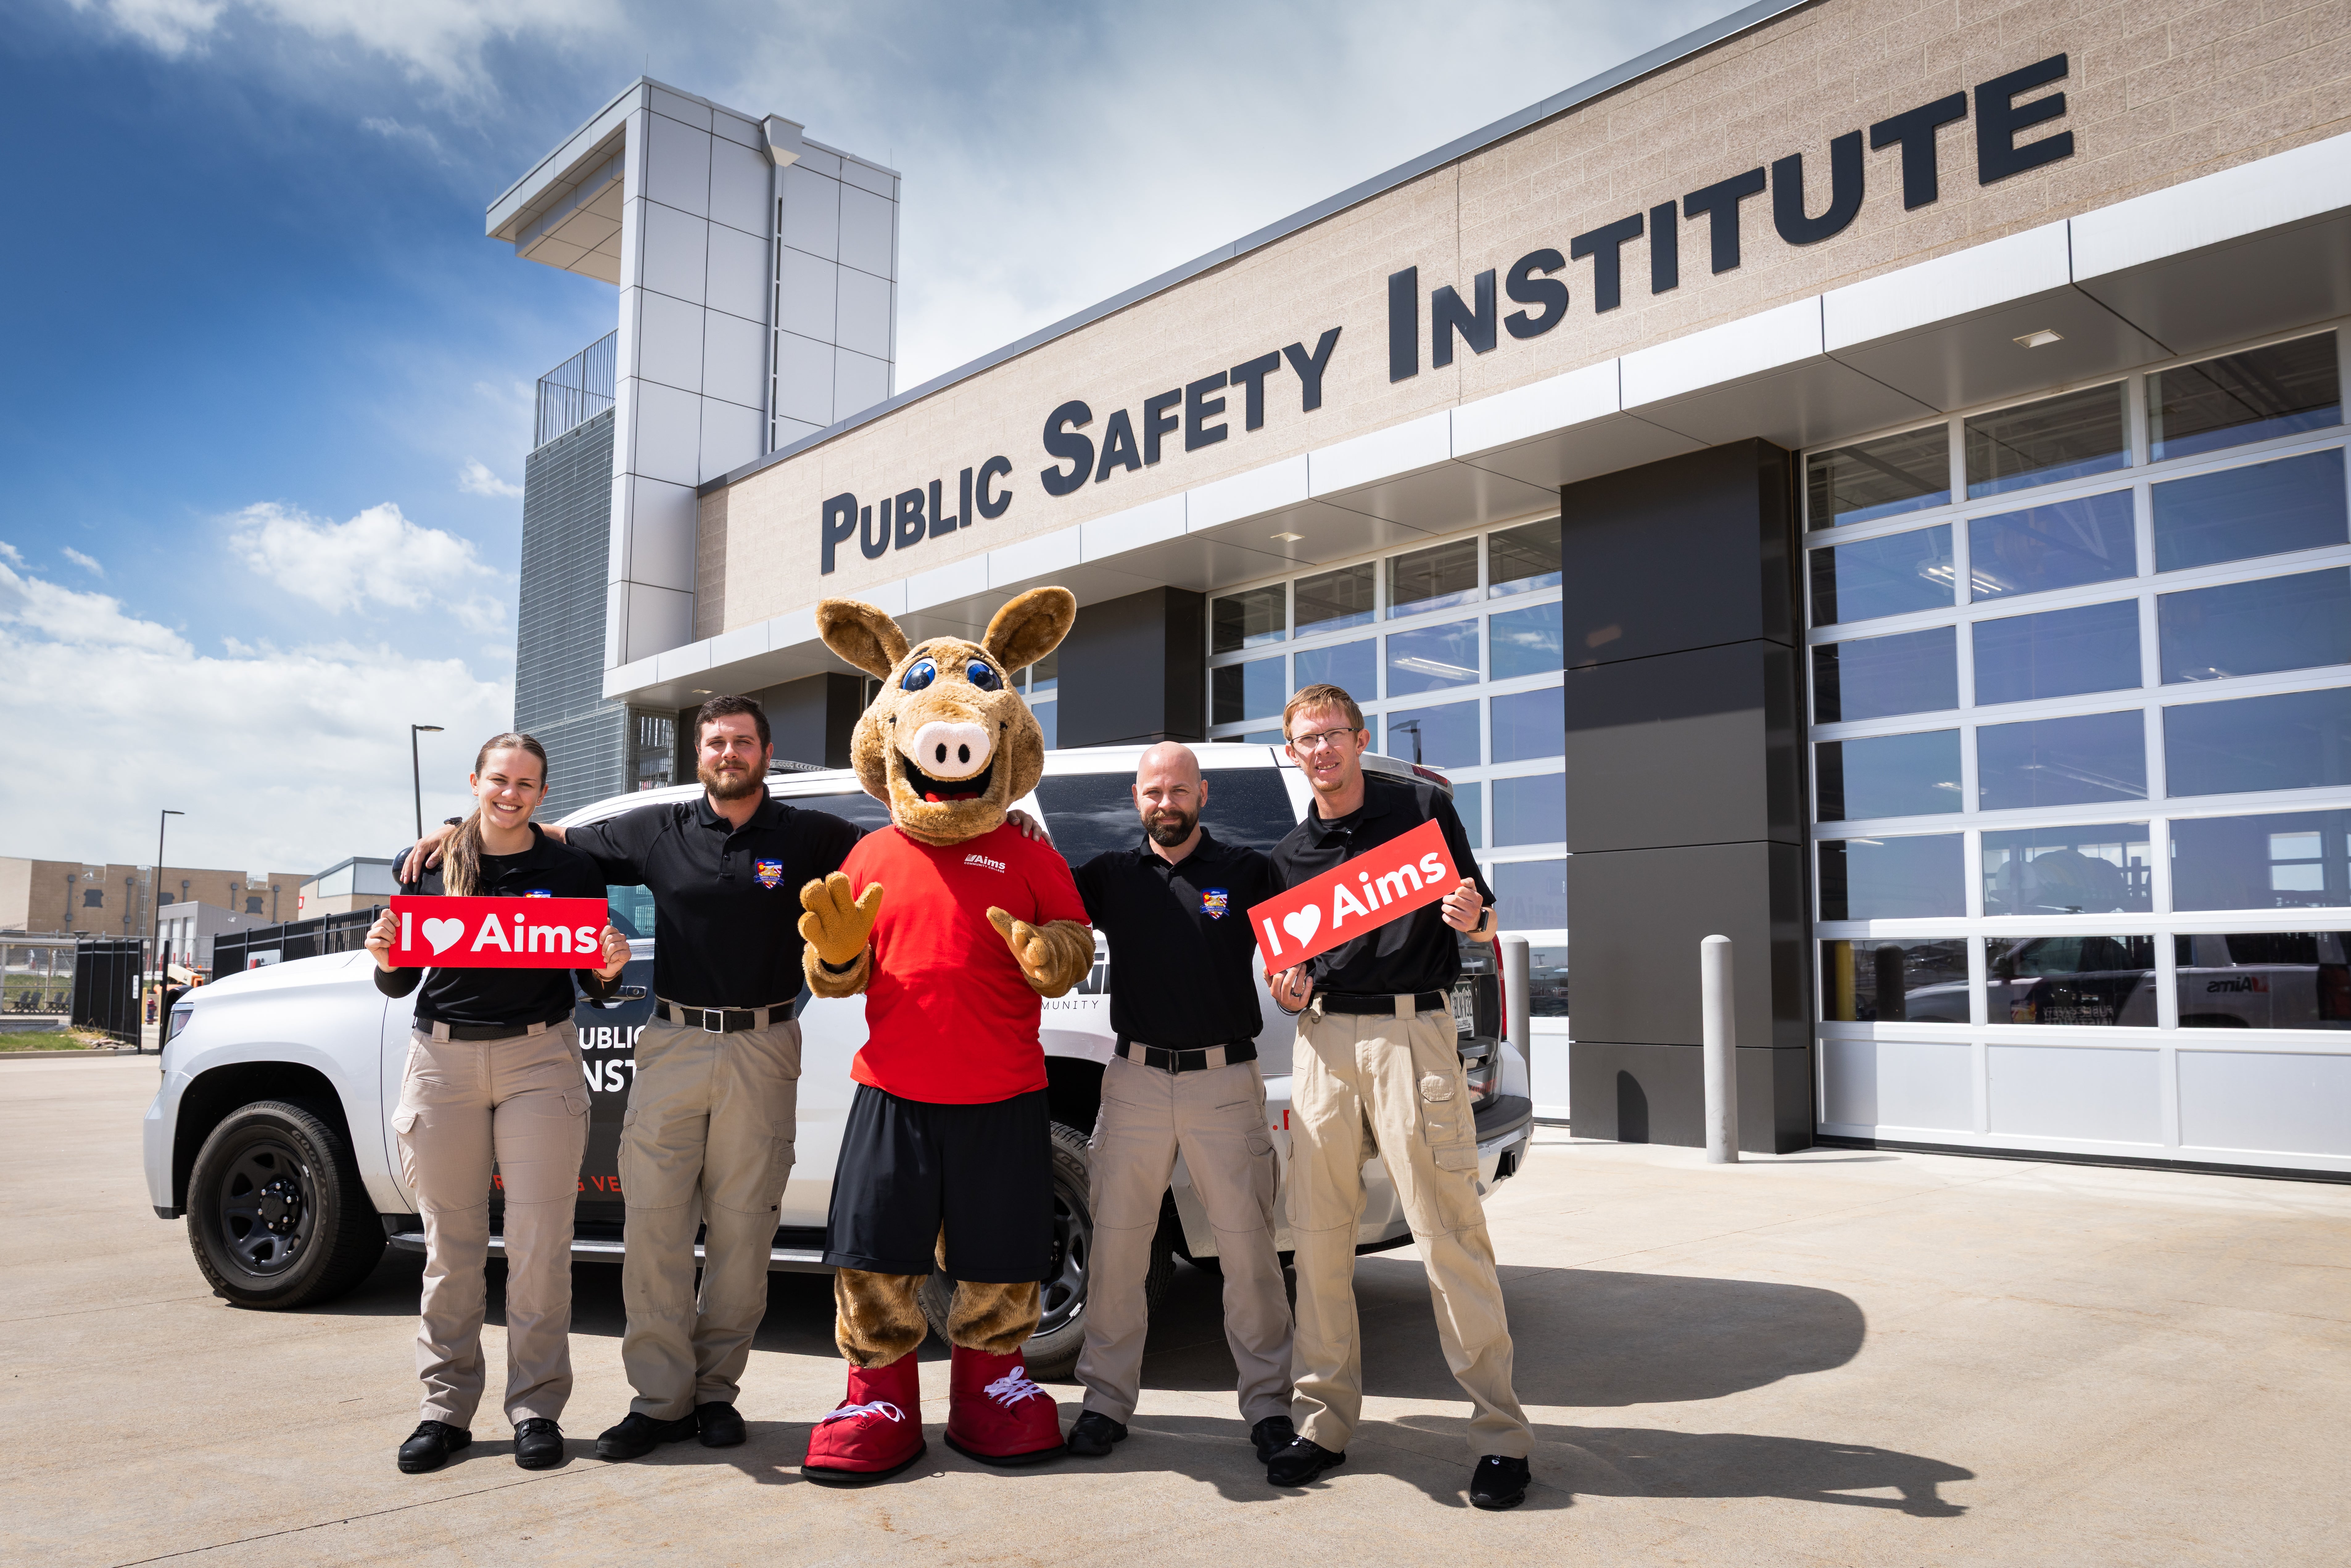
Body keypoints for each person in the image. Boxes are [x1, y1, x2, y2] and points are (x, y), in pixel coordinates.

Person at [401, 695, 859, 1461]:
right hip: (672, 1039)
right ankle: (660, 1401)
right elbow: (544, 838)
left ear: (766, 753)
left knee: (744, 1231)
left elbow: (898, 863)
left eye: (742, 741)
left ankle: (716, 1393)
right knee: (655, 1228)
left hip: (766, 1042)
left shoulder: (816, 833)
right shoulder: (658, 828)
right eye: (715, 741)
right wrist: (454, 832)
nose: (727, 752)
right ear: (699, 754)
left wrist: (1004, 822)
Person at [1261, 683, 1535, 1511]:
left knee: (1449, 1233)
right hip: (1321, 1044)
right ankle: (1323, 1422)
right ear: (1292, 752)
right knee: (1315, 1243)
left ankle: (1499, 1435)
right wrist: (1285, 989)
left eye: (1333, 734)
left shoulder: (1417, 810)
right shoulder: (1287, 858)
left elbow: (1479, 914)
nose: (1321, 749)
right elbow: (1286, 983)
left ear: (1357, 736)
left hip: (1410, 1038)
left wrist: (1473, 917)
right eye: (1306, 739)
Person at [367, 731, 630, 1475]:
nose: (510, 793)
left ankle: (536, 1408)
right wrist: (385, 959)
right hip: (443, 1060)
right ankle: (443, 1411)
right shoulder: (432, 862)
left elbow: (592, 980)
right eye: (498, 780)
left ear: (543, 795)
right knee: (451, 1248)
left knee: (540, 1246)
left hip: (539, 1058)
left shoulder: (571, 869)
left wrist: (608, 973)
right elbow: (400, 979)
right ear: (475, 782)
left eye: (526, 784)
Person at [1062, 742, 1294, 1464]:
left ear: (1203, 795)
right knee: (1119, 1250)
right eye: (1153, 792)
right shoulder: (1109, 876)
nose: (1166, 803)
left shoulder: (1247, 871)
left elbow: (1304, 938)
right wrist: (1019, 834)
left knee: (1248, 1251)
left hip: (1224, 1084)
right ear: (1137, 799)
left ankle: (1268, 1409)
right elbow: (1038, 904)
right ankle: (1104, 1401)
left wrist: (1296, 974)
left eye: (1178, 790)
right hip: (1132, 1082)